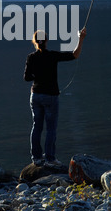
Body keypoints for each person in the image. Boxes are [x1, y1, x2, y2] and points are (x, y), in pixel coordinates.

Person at [23, 27, 87, 167]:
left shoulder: (31, 57)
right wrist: (80, 39)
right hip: (50, 96)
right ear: (46, 40)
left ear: (34, 42)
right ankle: (50, 158)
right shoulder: (52, 55)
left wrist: (37, 76)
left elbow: (27, 78)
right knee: (51, 128)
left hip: (35, 96)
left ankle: (37, 158)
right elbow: (74, 55)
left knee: (37, 126)